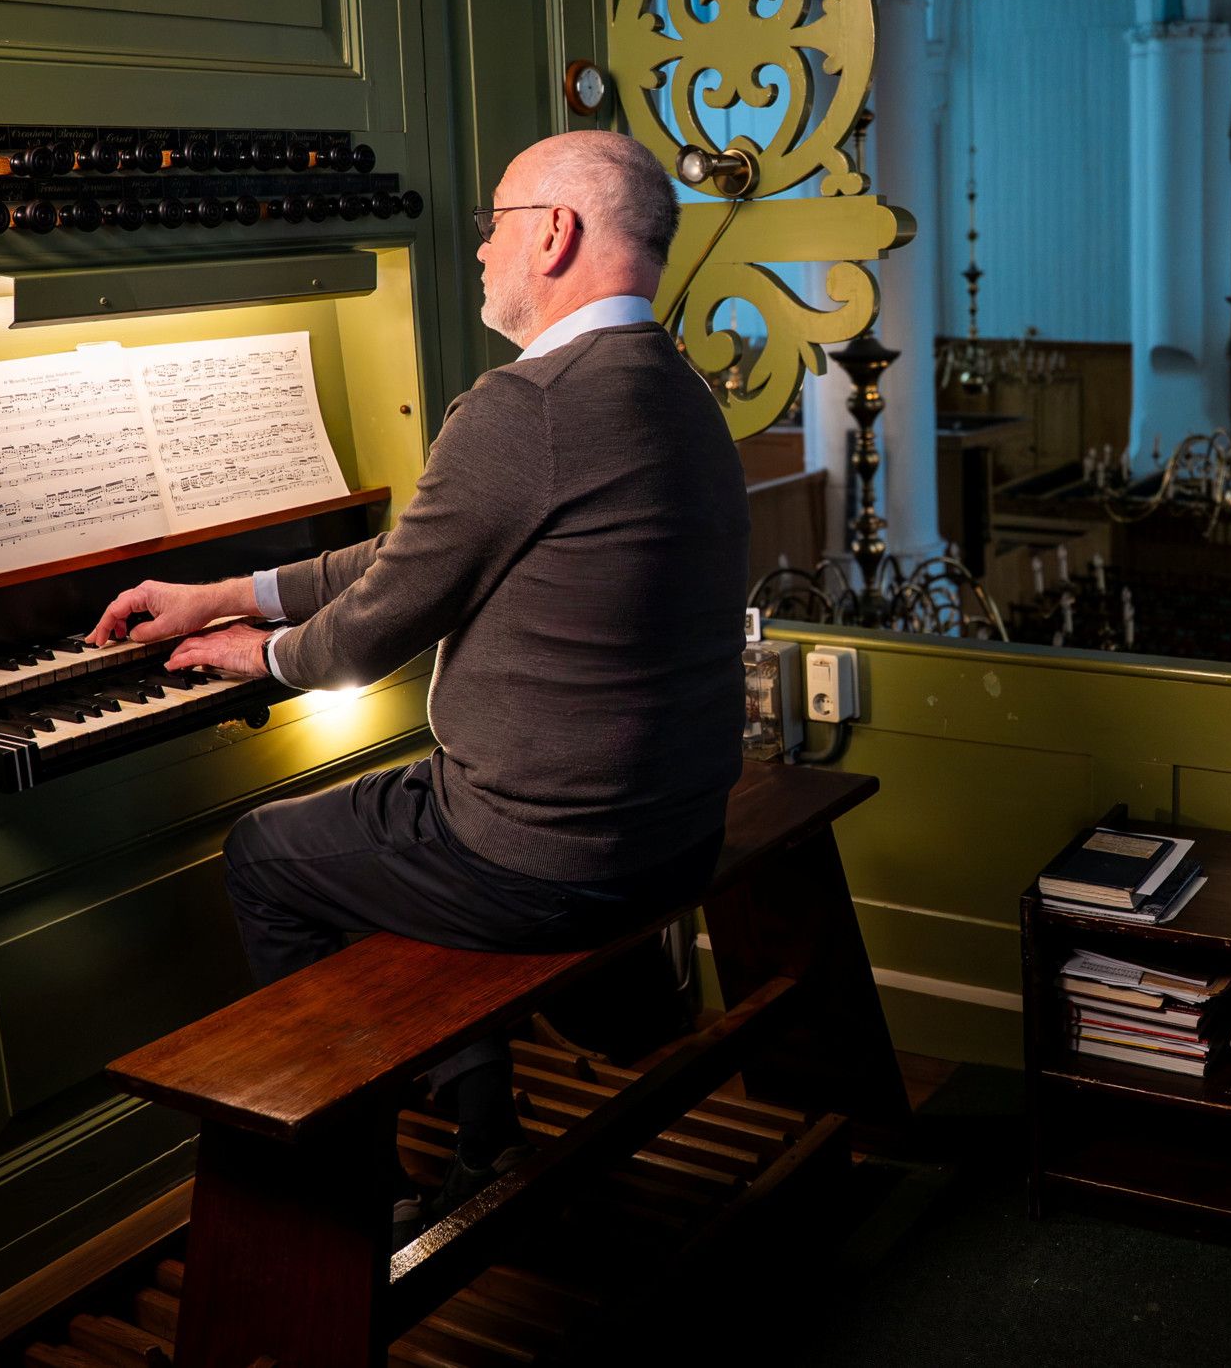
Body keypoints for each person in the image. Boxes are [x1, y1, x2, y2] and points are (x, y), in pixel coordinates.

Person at [87, 129, 748, 1237]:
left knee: (266, 856)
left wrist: (264, 655)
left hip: (553, 860)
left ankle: (360, 1196)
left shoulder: (528, 405)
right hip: (674, 834)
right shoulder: (676, 385)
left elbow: (365, 636)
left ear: (555, 232)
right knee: (386, 827)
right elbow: (420, 551)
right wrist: (232, 593)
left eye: (495, 221)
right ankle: (482, 1119)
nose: (480, 248)